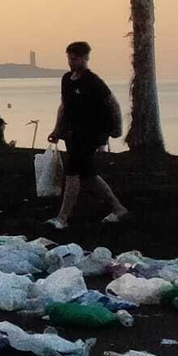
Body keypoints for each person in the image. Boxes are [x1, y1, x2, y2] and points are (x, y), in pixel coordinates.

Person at [48, 40, 127, 229]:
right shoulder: (66, 79)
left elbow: (113, 104)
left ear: (85, 58)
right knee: (88, 174)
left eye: (75, 59)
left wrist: (117, 129)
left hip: (90, 134)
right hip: (72, 133)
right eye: (69, 58)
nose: (71, 62)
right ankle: (118, 209)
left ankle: (62, 217)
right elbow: (64, 106)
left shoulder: (93, 81)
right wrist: (57, 129)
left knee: (72, 172)